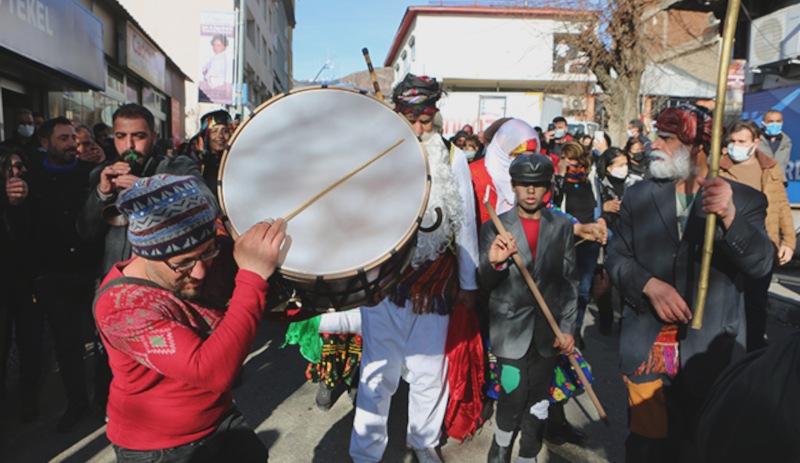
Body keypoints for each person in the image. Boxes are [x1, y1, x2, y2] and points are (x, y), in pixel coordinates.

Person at [606, 105, 774, 462]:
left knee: (702, 447)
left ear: (697, 146)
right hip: (648, 348)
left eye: (666, 138)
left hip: (712, 352)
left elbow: (760, 264)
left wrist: (729, 216)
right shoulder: (639, 196)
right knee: (647, 446)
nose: (654, 144)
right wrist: (649, 285)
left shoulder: (742, 200)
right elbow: (617, 258)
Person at [94, 174, 284, 462]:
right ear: (145, 254)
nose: (200, 272)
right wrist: (252, 277)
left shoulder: (208, 252)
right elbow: (211, 372)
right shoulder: (120, 307)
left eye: (207, 252)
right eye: (183, 263)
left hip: (220, 418)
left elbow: (266, 305)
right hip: (158, 448)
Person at [349, 74, 479, 463]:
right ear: (397, 114)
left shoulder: (453, 157)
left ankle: (424, 442)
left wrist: (469, 284)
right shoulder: (376, 155)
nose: (420, 129)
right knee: (378, 374)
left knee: (428, 372)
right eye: (411, 119)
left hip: (434, 285)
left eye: (426, 120)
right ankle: (366, 453)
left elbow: (466, 222)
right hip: (384, 283)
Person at [6, 117, 105, 432]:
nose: (72, 144)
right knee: (67, 343)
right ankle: (77, 402)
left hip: (92, 271)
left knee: (105, 340)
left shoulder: (89, 173)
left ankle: (108, 400)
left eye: (73, 137)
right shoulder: (30, 177)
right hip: (54, 276)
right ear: (45, 143)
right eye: (63, 138)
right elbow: (21, 228)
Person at [479, 154, 577, 463]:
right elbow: (483, 282)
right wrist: (494, 263)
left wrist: (568, 329)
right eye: (524, 185)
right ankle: (501, 445)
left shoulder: (561, 225)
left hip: (548, 331)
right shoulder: (494, 226)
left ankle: (528, 454)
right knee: (513, 393)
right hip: (510, 330)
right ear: (513, 186)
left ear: (547, 187)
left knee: (538, 397)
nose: (531, 191)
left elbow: (570, 282)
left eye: (537, 185)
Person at [78, 103, 215, 277]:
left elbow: (209, 206)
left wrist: (151, 191)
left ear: (154, 137)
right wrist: (102, 194)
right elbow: (86, 233)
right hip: (116, 282)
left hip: (165, 282)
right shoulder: (101, 173)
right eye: (121, 136)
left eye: (139, 136)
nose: (129, 145)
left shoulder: (177, 167)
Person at [718, 119, 795, 351]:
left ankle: (753, 355)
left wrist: (788, 242)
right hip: (730, 247)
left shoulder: (770, 167)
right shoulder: (719, 168)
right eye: (732, 141)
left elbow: (782, 205)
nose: (736, 146)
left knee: (756, 305)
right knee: (726, 307)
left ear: (755, 143)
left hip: (764, 247)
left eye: (742, 141)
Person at [0, 148, 42, 422]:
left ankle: (29, 401)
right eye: (13, 167)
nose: (19, 172)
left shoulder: (33, 198)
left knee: (31, 346)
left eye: (21, 166)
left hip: (29, 285)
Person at [186, 110, 234, 194]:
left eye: (225, 131)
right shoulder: (196, 165)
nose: (220, 136)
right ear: (206, 136)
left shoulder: (236, 162)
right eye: (214, 131)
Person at [759, 109, 792, 180]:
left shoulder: (786, 141)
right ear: (763, 123)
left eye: (778, 121)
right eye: (771, 121)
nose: (775, 124)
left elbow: (784, 163)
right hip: (758, 181)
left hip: (778, 181)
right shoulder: (756, 139)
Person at [200, 34, 233, 102]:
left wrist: (207, 73)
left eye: (218, 45)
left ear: (224, 47)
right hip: (211, 85)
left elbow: (210, 73)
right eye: (214, 45)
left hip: (216, 85)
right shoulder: (214, 58)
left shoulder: (221, 60)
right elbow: (204, 69)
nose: (215, 47)